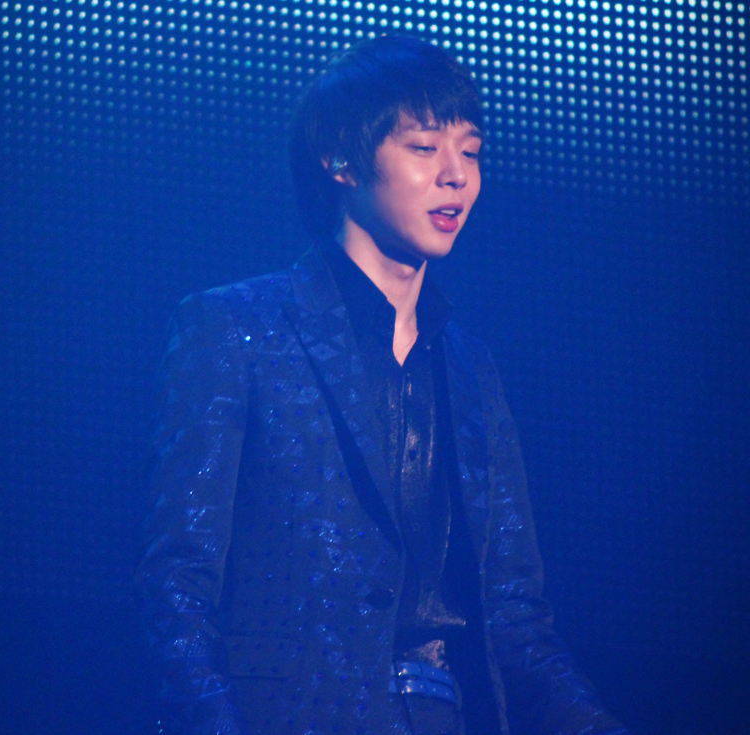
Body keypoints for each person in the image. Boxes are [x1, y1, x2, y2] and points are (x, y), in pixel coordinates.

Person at [136, 34, 628, 735]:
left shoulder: (471, 371)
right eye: (425, 148)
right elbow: (177, 585)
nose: (456, 176)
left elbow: (516, 621)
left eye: (471, 151)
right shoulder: (235, 328)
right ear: (340, 160)